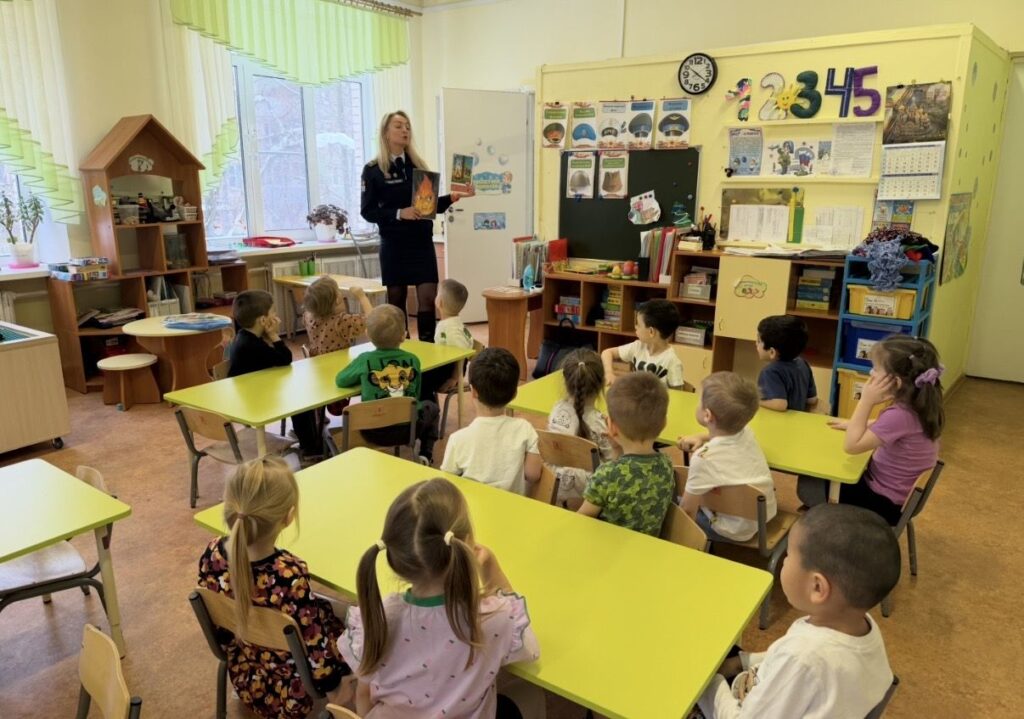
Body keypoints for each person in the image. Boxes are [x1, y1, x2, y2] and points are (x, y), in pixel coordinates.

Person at [339, 477, 540, 719]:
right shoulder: (492, 618)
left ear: (395, 558)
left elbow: (363, 696)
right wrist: (491, 569)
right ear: (466, 544)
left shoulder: (377, 618)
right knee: (531, 695)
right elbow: (529, 649)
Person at [697, 504, 899, 719]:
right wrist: (743, 662)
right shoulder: (861, 624)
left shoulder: (802, 657)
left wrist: (710, 683)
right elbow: (785, 659)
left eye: (788, 556)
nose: (784, 561)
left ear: (817, 587)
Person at [197, 457, 350, 719]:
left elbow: (219, 628)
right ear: (289, 517)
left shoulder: (211, 553)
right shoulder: (289, 576)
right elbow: (317, 652)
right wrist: (334, 683)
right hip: (292, 688)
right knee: (352, 621)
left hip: (246, 673)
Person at [800, 335, 943, 525]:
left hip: (882, 505)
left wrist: (865, 401)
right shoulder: (920, 405)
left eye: (876, 369)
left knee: (812, 476)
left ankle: (822, 526)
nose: (871, 373)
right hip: (897, 499)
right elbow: (892, 426)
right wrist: (859, 424)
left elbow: (852, 446)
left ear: (896, 382)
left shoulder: (900, 415)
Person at [361, 111, 474, 342]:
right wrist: (399, 213)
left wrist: (452, 197)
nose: (405, 130)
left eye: (407, 126)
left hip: (421, 243)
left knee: (428, 297)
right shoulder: (373, 170)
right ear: (385, 132)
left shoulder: (417, 166)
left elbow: (428, 206)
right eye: (398, 126)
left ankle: (427, 348)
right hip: (394, 244)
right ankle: (398, 346)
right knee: (396, 301)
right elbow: (368, 211)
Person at [677, 372, 776, 542]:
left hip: (730, 529)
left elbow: (687, 510)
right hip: (761, 516)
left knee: (674, 497)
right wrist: (701, 437)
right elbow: (725, 438)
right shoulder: (746, 432)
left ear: (707, 415)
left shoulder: (703, 458)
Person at [335, 304, 440, 463]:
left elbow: (341, 380)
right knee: (432, 407)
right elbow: (416, 394)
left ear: (368, 335)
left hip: (372, 431)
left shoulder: (364, 360)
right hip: (408, 429)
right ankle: (425, 454)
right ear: (404, 336)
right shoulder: (413, 360)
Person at [577, 372, 675, 536]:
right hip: (648, 547)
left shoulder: (607, 474)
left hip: (604, 546)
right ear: (664, 423)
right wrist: (616, 449)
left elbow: (581, 520)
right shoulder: (667, 465)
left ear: (612, 427)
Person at [228, 290, 320, 460]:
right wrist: (274, 335)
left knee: (297, 393)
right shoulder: (252, 345)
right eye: (274, 312)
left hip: (249, 393)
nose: (277, 317)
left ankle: (307, 436)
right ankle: (310, 448)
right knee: (301, 399)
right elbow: (285, 359)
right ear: (263, 320)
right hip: (254, 403)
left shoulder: (243, 336)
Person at [440, 347, 542, 494]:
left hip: (472, 507)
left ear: (474, 392)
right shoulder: (525, 429)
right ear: (515, 393)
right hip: (513, 507)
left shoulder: (458, 439)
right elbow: (533, 475)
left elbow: (447, 485)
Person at [547, 348, 617, 508]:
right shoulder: (599, 423)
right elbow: (611, 462)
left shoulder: (556, 410)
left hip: (555, 481)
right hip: (590, 492)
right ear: (602, 384)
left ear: (566, 381)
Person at [601, 299, 684, 389]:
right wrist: (608, 373)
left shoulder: (672, 361)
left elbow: (679, 394)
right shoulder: (637, 347)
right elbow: (607, 352)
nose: (635, 327)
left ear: (651, 332)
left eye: (638, 324)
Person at [420, 278, 474, 404]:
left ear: (439, 302)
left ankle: (428, 409)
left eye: (437, 293)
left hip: (449, 371)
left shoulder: (452, 330)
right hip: (444, 365)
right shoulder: (451, 323)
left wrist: (454, 378)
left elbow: (461, 355)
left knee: (418, 377)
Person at [756, 315, 818, 412]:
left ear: (772, 352)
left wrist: (756, 401)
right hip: (798, 418)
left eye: (759, 341)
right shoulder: (803, 363)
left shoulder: (770, 372)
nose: (756, 344)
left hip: (777, 420)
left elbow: (779, 405)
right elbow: (812, 399)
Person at [303, 276, 374, 357]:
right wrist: (362, 297)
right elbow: (372, 320)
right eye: (338, 290)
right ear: (337, 299)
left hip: (318, 361)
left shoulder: (307, 315)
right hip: (339, 362)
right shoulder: (340, 322)